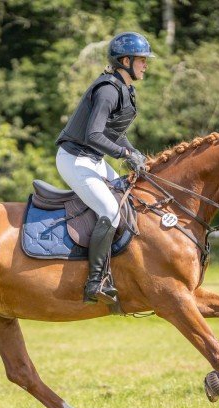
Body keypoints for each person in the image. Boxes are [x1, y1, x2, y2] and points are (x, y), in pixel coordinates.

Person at [55, 32, 154, 305]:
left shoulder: (125, 89)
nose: (146, 65)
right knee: (110, 212)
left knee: (127, 198)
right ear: (125, 60)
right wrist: (124, 154)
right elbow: (93, 136)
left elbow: (114, 133)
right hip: (75, 159)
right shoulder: (108, 90)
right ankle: (95, 282)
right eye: (142, 60)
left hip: (94, 159)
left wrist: (134, 153)